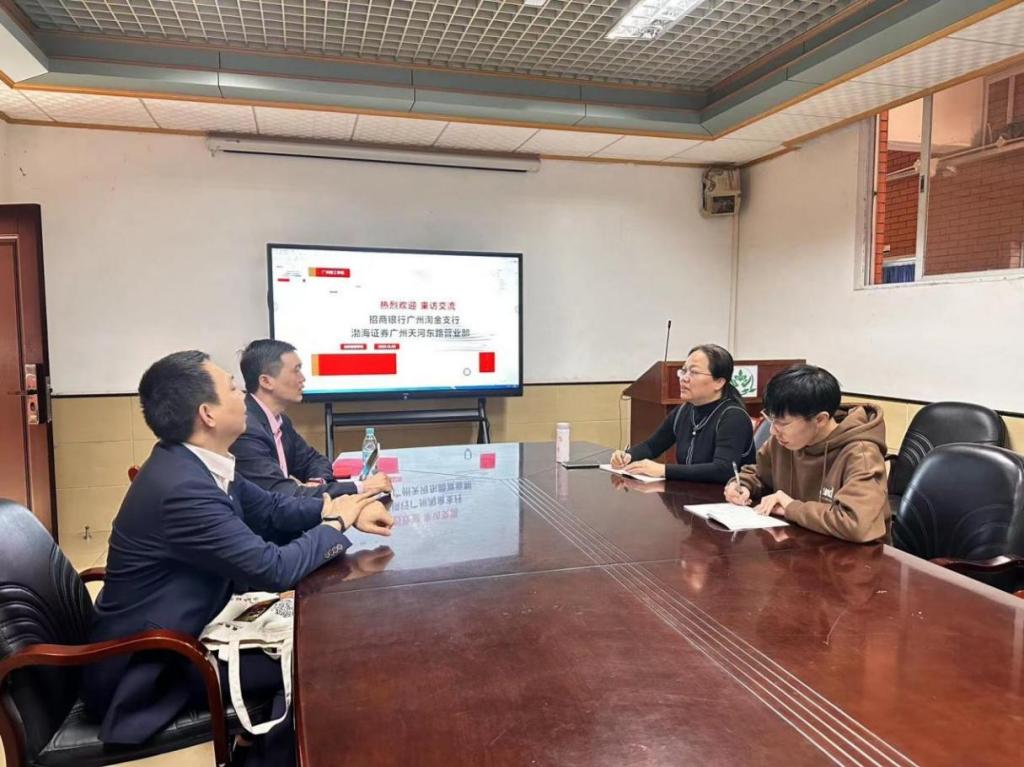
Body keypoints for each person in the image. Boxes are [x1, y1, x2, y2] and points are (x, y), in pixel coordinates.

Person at [82, 350, 395, 766]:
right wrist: (338, 523)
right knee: (322, 661)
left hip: (195, 628)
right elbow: (274, 568)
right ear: (207, 414)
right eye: (232, 388)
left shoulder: (195, 463)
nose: (242, 396)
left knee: (319, 641)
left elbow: (274, 509)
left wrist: (342, 506)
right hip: (154, 664)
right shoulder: (182, 488)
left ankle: (261, 749)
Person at [724, 364, 888, 543]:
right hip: (796, 544)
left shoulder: (861, 454)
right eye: (771, 419)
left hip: (851, 555)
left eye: (783, 423)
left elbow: (857, 524)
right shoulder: (784, 440)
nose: (773, 431)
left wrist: (791, 507)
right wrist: (743, 485)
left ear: (820, 420)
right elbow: (761, 474)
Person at [231, 339, 392, 498]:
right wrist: (361, 487)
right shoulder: (245, 428)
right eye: (296, 370)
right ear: (266, 381)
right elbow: (283, 494)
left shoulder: (280, 421)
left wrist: (317, 481)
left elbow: (315, 460)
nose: (302, 378)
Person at [610, 344, 754, 482]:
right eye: (684, 371)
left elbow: (723, 470)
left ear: (719, 382)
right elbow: (652, 446)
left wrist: (664, 470)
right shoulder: (684, 410)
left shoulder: (733, 416)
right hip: (689, 493)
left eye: (694, 372)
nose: (684, 378)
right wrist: (628, 456)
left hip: (724, 496)